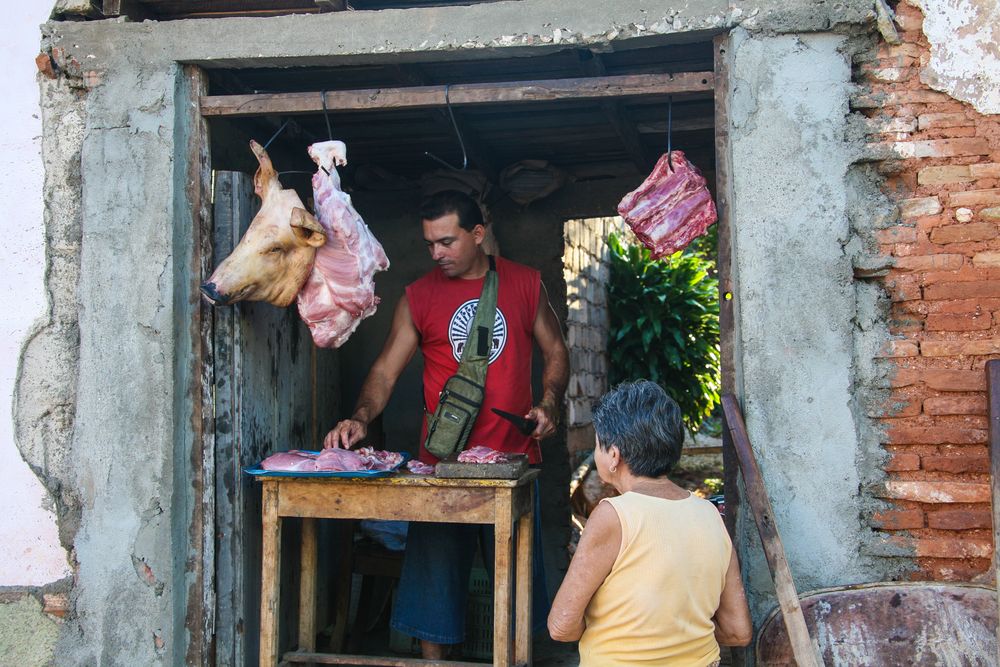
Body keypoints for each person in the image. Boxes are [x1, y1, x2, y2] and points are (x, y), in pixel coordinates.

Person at [324, 190, 569, 659]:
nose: (436, 253)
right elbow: (383, 372)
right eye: (429, 244)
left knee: (517, 587)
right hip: (441, 466)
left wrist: (550, 403)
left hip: (512, 466)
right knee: (432, 590)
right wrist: (360, 417)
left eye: (446, 242)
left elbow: (555, 350)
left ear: (478, 235)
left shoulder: (523, 283)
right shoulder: (419, 296)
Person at [548, 380, 752, 666]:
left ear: (614, 456)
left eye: (597, 445)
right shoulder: (709, 515)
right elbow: (737, 631)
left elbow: (561, 625)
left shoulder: (613, 515)